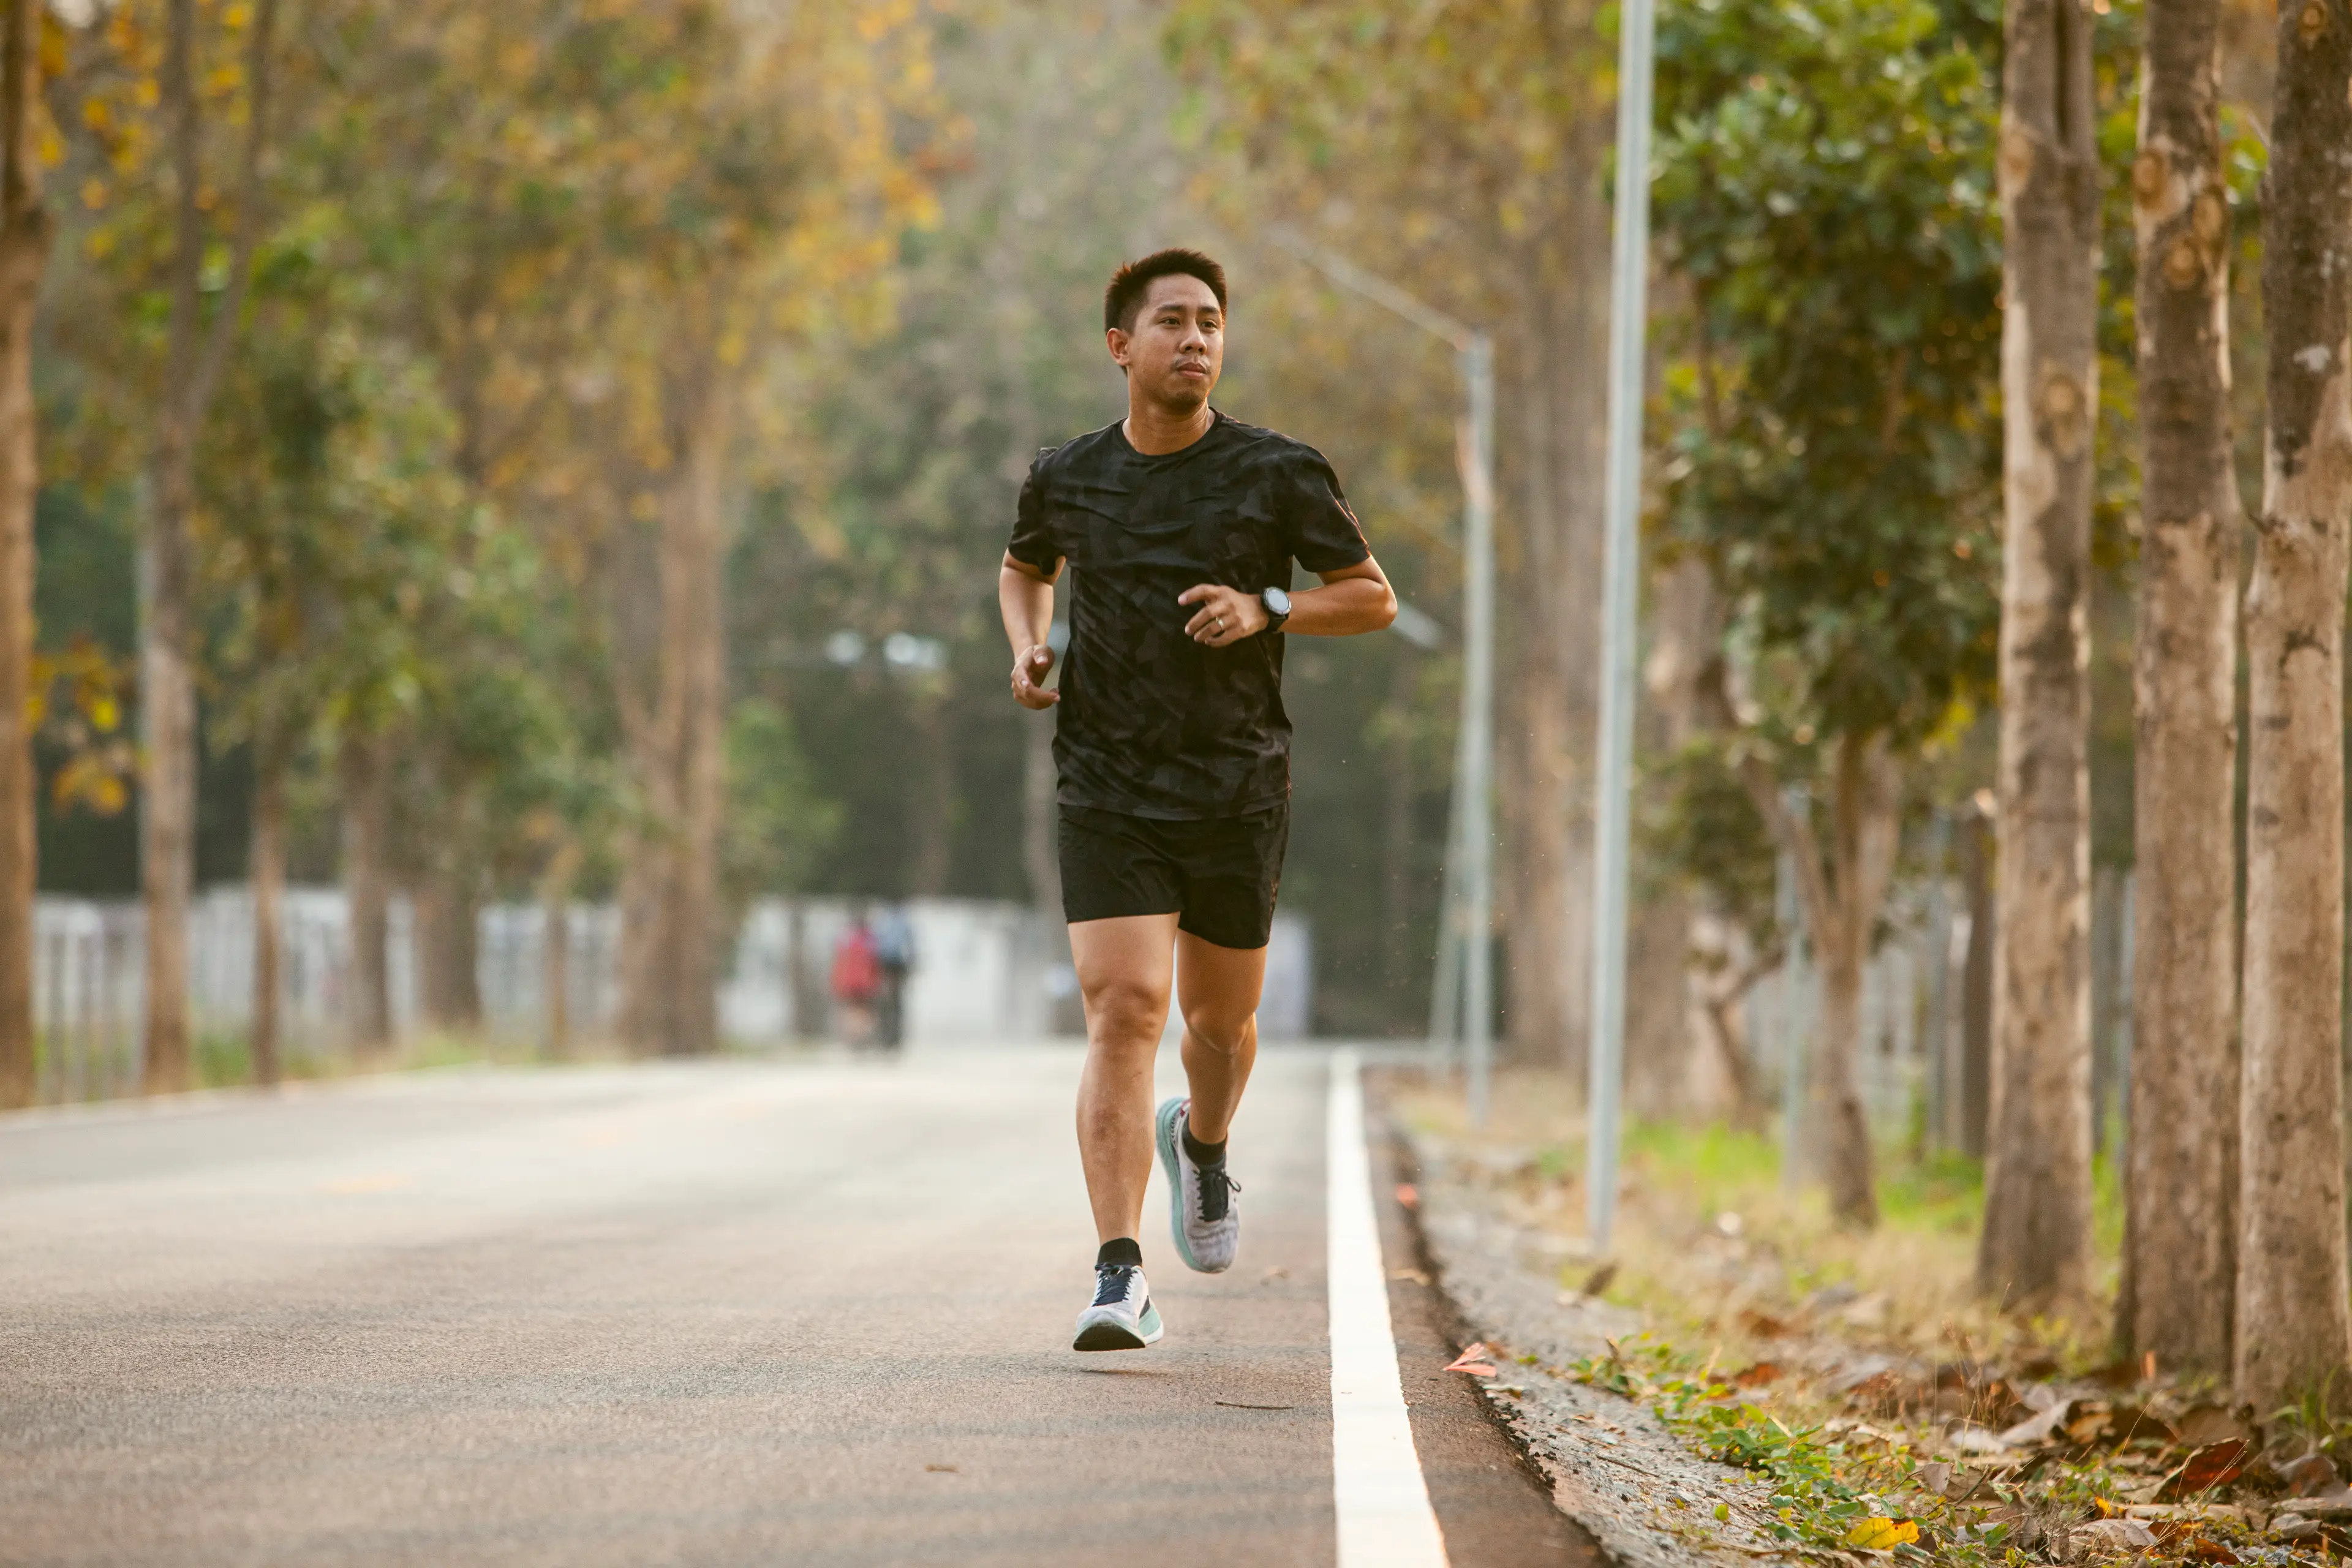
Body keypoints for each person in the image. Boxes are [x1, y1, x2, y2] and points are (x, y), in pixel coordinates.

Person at [997, 248, 1396, 1352]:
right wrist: (1031, 649)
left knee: (1220, 1024)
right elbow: (1025, 567)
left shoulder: (1279, 472)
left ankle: (1204, 1147)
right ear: (1122, 346)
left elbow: (1370, 598)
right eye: (1173, 322)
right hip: (1107, 783)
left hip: (1235, 785)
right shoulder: (1066, 474)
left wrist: (1270, 605)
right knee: (1124, 1008)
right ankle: (1118, 1273)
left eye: (1212, 323)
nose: (1197, 340)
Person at [829, 910, 883, 1049]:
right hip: (864, 981)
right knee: (863, 1010)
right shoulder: (870, 940)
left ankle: (854, 1037)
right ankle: (861, 1037)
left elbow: (840, 961)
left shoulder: (846, 939)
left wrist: (838, 980)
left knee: (852, 1009)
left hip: (850, 980)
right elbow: (874, 962)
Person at [872, 905, 916, 1050]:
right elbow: (910, 946)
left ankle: (888, 1036)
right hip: (894, 965)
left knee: (886, 1000)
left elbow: (876, 944)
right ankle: (893, 1036)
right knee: (895, 1001)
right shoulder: (903, 922)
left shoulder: (882, 921)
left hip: (885, 964)